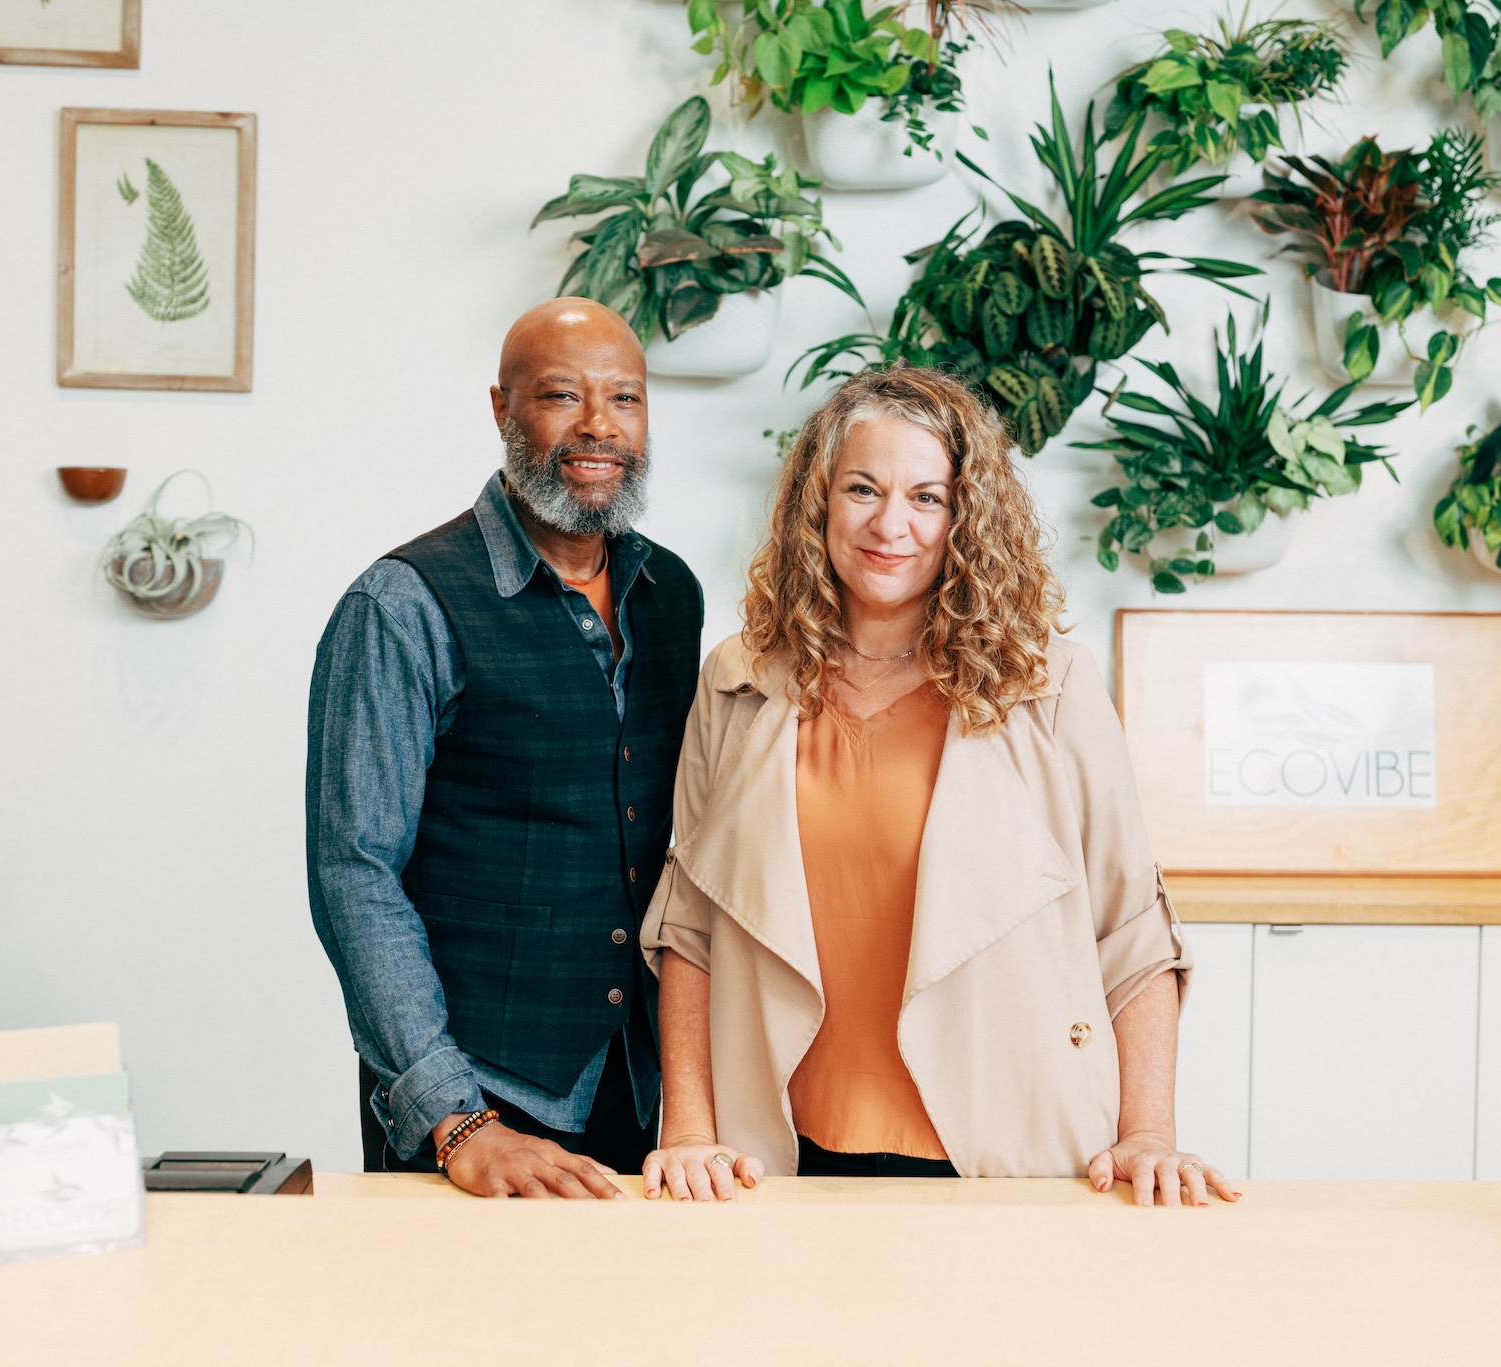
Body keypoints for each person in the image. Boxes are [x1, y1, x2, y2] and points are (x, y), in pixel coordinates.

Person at [639, 367, 1237, 1205]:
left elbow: (1132, 931)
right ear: (817, 500)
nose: (892, 524)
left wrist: (1148, 1133)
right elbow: (689, 930)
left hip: (1010, 1158)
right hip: (775, 1159)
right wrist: (690, 1130)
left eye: (928, 497)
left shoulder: (1049, 686)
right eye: (863, 488)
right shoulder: (738, 684)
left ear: (966, 518)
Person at [307, 298, 703, 1198]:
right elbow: (353, 871)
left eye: (626, 399)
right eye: (562, 395)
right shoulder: (401, 604)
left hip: (639, 1092)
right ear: (501, 408)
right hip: (476, 1097)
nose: (600, 425)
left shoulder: (670, 593)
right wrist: (458, 1119)